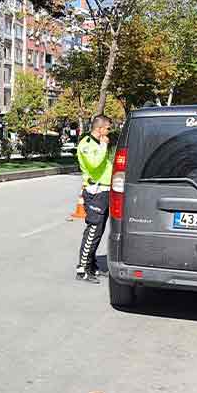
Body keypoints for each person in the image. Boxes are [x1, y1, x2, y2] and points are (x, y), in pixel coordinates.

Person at [75, 115, 115, 284]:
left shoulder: (99, 144)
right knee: (93, 230)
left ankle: (92, 265)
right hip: (95, 191)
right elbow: (94, 164)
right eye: (107, 129)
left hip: (105, 190)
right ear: (100, 129)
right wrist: (104, 145)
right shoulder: (86, 144)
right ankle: (82, 268)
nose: (109, 132)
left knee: (98, 231)